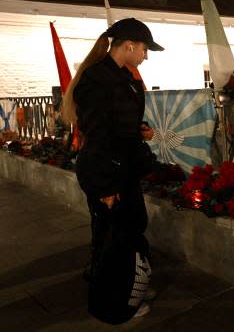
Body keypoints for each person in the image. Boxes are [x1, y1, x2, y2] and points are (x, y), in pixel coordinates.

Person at [61, 18, 163, 322]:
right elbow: (98, 135)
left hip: (122, 169)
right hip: (107, 173)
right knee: (111, 239)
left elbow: (119, 124)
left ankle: (132, 285)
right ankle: (114, 302)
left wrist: (139, 129)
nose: (146, 55)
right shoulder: (98, 79)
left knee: (129, 231)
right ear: (129, 45)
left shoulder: (120, 77)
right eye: (144, 48)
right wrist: (105, 187)